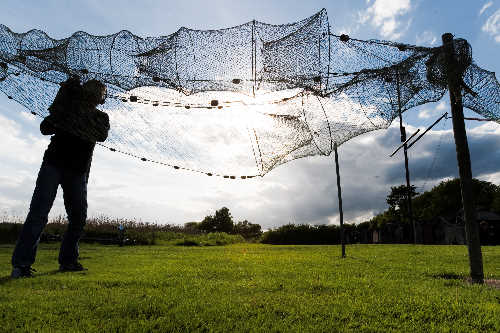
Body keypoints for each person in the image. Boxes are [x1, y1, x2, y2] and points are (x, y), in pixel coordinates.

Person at [11, 77, 110, 278]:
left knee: (78, 218)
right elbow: (45, 128)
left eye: (98, 92)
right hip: (53, 164)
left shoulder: (100, 118)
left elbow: (100, 135)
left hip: (77, 172)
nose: (96, 95)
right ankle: (21, 266)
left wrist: (69, 107)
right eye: (94, 91)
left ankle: (68, 261)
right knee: (39, 213)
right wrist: (63, 102)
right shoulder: (67, 109)